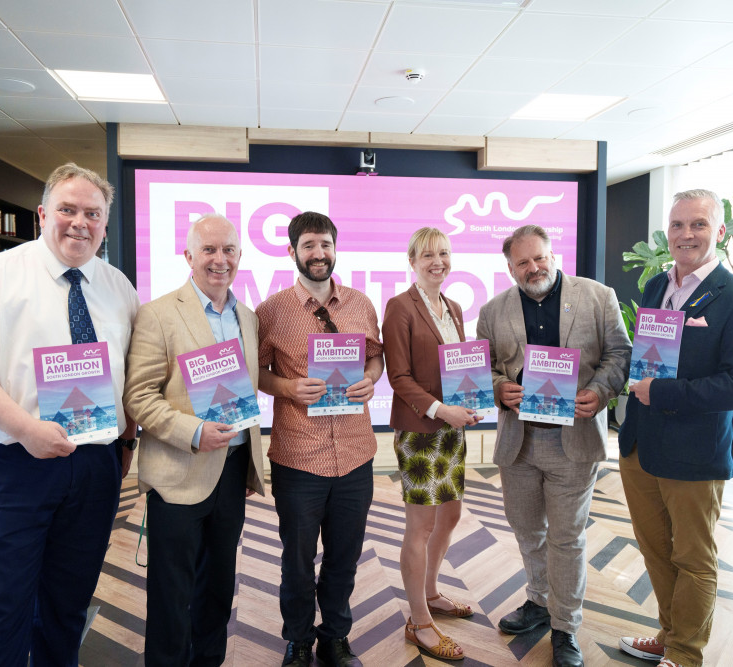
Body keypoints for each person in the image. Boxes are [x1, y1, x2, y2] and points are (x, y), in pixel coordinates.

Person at [0, 163, 139, 666]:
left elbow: (132, 374)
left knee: (69, 602)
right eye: (67, 209)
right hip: (9, 464)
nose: (80, 223)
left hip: (93, 466)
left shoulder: (118, 287)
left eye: (93, 214)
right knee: (2, 605)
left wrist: (126, 442)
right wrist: (27, 430)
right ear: (42, 214)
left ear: (104, 225)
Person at [617, 189, 733, 667]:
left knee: (693, 559)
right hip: (641, 445)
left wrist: (664, 393)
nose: (686, 234)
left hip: (694, 451)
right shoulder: (656, 287)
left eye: (698, 224)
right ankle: (669, 635)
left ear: (719, 231)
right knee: (655, 552)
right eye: (678, 225)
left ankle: (685, 654)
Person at [476, 224, 631, 667]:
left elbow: (619, 354)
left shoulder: (598, 297)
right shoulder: (492, 310)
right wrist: (499, 386)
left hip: (573, 441)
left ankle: (565, 627)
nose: (534, 268)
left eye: (539, 257)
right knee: (527, 531)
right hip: (519, 442)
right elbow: (483, 366)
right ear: (510, 268)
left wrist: (599, 391)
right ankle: (539, 602)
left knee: (567, 538)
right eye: (523, 262)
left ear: (553, 255)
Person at [125, 214, 266, 666]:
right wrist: (194, 432)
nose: (220, 259)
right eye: (209, 250)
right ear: (189, 256)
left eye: (228, 250)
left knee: (218, 586)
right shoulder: (158, 314)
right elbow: (138, 396)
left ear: (239, 256)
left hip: (232, 472)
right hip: (178, 473)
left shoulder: (248, 317)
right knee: (171, 593)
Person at [256, 211, 384, 667]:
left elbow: (375, 358)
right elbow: (256, 372)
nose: (318, 253)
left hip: (355, 454)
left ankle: (335, 637)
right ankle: (298, 640)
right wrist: (288, 387)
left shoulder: (361, 304)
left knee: (344, 556)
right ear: (292, 251)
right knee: (297, 560)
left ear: (335, 248)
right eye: (309, 245)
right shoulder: (270, 311)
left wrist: (371, 379)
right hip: (298, 457)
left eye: (325, 244)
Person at [382, 228, 481, 661]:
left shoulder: (454, 308)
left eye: (443, 253)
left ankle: (431, 592)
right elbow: (399, 378)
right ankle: (419, 622)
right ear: (412, 261)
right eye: (427, 255)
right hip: (420, 432)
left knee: (451, 514)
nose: (437, 261)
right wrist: (442, 410)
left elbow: (457, 368)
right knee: (420, 526)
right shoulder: (399, 307)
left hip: (452, 429)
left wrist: (471, 401)